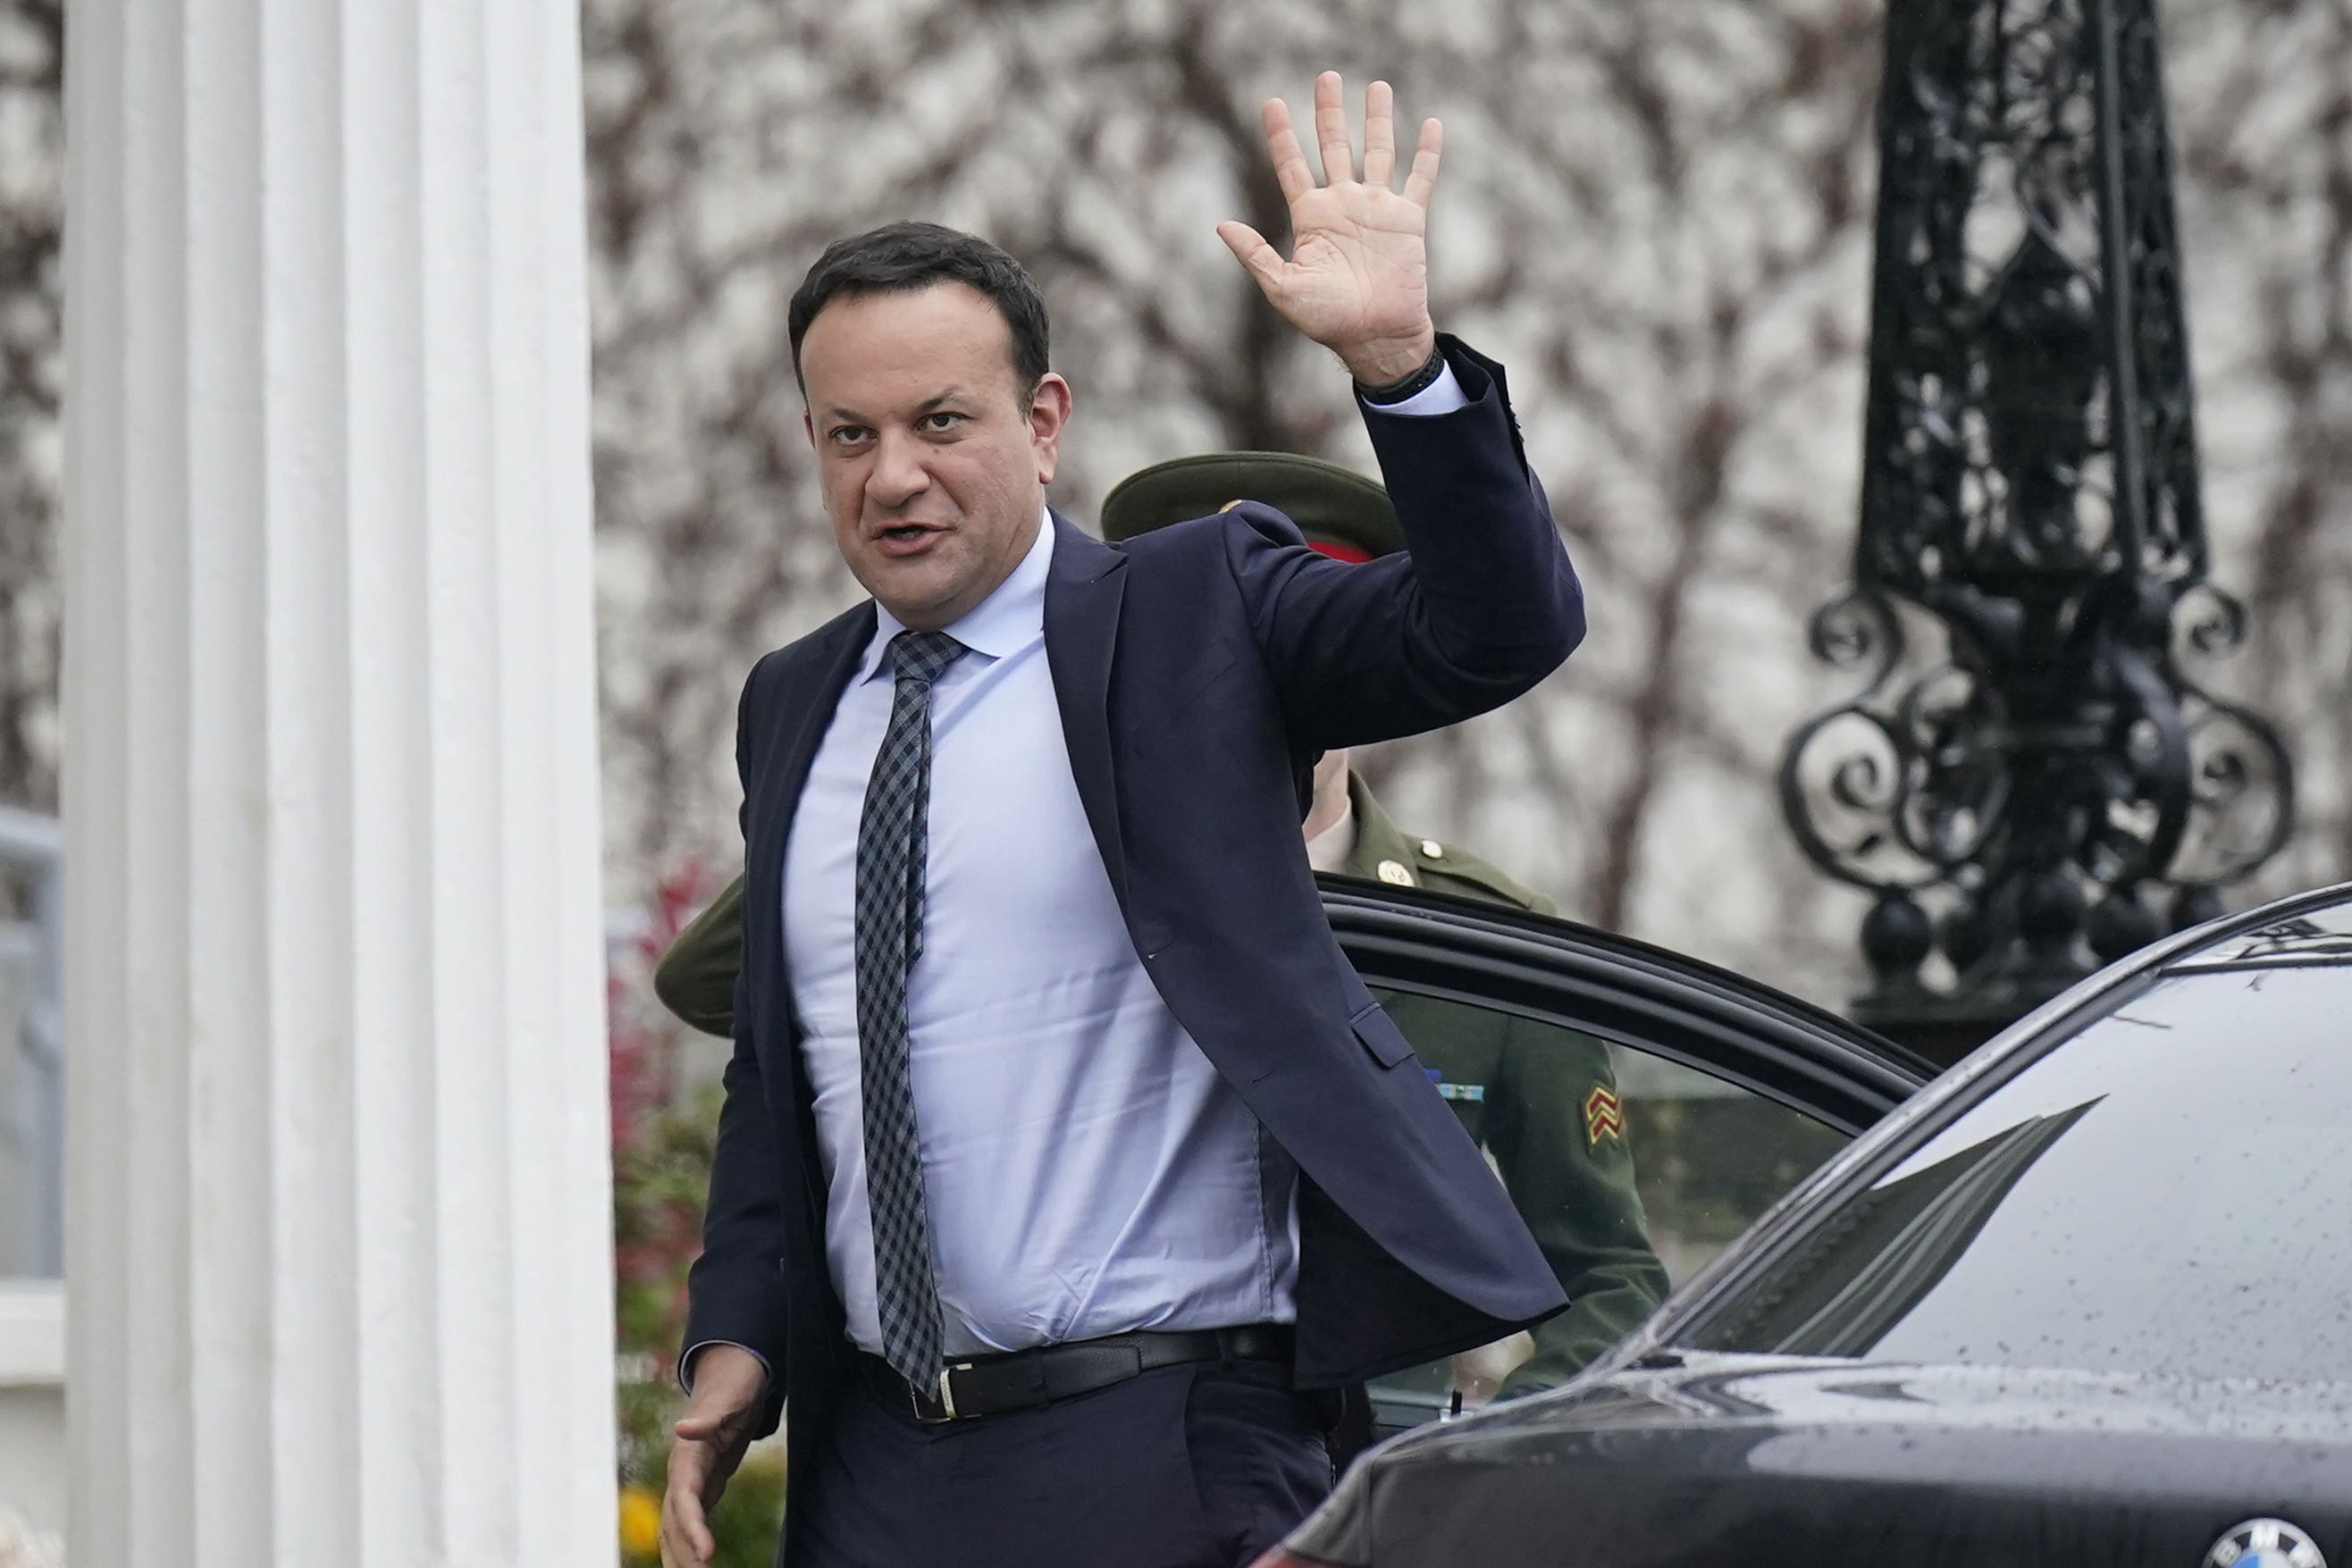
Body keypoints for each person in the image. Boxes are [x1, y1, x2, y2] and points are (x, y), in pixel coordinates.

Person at [662, 74, 1587, 1568]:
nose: (892, 475)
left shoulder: (1188, 608)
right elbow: (786, 1076)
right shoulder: (791, 702)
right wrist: (730, 1361)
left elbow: (1496, 631)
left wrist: (1400, 366)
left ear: (1043, 424)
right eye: (848, 435)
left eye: (940, 422)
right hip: (876, 1473)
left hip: (1166, 1442)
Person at [654, 450, 1667, 1422]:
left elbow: (1609, 1281)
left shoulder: (1474, 939)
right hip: (1091, 1423)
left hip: (1373, 1482)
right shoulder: (1050, 869)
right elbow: (717, 984)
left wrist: (1473, 1464)